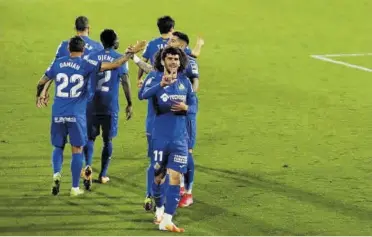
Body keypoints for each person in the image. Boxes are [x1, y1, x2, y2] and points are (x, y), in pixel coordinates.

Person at [36, 36, 145, 196]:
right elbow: (116, 64)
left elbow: (42, 81)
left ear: (68, 49)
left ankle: (56, 174)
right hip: (77, 114)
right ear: (84, 50)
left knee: (58, 147)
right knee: (77, 149)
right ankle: (74, 188)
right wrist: (131, 53)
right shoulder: (87, 64)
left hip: (58, 112)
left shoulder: (58, 63)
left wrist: (40, 95)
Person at [141, 46, 197, 232]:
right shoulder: (154, 77)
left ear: (180, 62)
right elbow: (142, 95)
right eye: (170, 58)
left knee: (175, 176)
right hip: (160, 137)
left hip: (180, 139)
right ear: (163, 60)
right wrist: (161, 85)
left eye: (176, 59)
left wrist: (186, 108)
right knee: (158, 177)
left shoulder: (185, 83)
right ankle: (158, 208)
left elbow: (194, 106)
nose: (173, 62)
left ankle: (167, 219)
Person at [82, 29, 133, 190]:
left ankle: (87, 167)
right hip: (110, 106)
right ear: (114, 42)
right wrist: (130, 103)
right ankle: (103, 174)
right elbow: (125, 81)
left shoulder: (90, 57)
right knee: (107, 140)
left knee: (90, 138)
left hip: (91, 104)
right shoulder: (119, 58)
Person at [168, 31, 199, 207]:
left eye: (173, 40)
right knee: (173, 150)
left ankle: (188, 192)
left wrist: (188, 98)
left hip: (185, 111)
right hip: (171, 111)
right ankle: (178, 186)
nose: (169, 42)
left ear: (182, 44)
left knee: (187, 152)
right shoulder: (169, 60)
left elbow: (195, 81)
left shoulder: (190, 61)